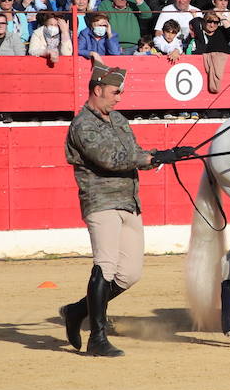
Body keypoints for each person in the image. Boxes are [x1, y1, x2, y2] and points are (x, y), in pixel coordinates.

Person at [59, 65, 193, 357]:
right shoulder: (82, 125)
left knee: (130, 274)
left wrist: (164, 155)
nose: (119, 98)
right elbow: (110, 159)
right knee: (105, 266)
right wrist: (154, 157)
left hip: (129, 201)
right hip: (100, 201)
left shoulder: (118, 119)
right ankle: (97, 337)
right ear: (97, 90)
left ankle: (76, 311)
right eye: (115, 92)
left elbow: (133, 152)